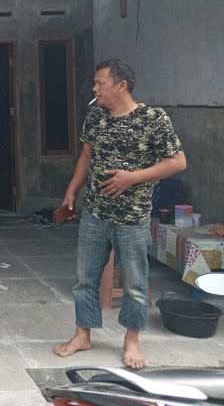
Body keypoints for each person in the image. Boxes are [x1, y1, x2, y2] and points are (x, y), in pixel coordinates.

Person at [54, 59, 186, 369]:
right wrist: (72, 189)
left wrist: (132, 177)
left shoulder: (153, 118)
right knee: (84, 279)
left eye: (100, 83)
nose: (94, 88)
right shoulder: (95, 116)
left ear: (121, 85)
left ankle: (132, 340)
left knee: (135, 284)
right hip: (95, 213)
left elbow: (177, 162)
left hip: (133, 217)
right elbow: (87, 156)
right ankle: (83, 335)